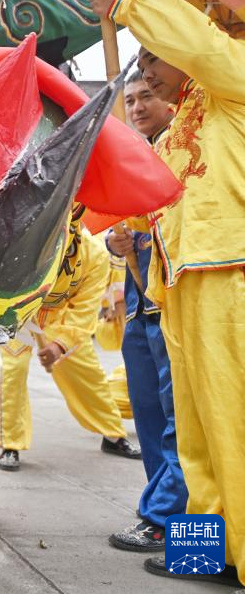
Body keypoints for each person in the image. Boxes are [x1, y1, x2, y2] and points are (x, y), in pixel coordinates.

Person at [92, 0, 245, 584]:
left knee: (233, 421)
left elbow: (197, 43)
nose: (147, 69)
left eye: (154, 56)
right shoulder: (189, 117)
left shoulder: (232, 75)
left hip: (229, 273)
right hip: (179, 285)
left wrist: (127, 2)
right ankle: (206, 553)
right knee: (198, 434)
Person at [105, 73, 186, 553]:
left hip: (180, 302)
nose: (136, 106)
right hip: (142, 303)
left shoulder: (190, 148)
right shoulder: (146, 157)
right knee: (151, 417)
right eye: (130, 99)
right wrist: (125, 243)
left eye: (146, 96)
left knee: (184, 420)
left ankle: (169, 520)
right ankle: (162, 506)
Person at [0, 210, 141, 471]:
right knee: (13, 369)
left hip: (60, 315)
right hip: (23, 308)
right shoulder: (32, 239)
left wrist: (59, 344)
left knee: (86, 371)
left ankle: (113, 434)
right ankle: (11, 444)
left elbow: (84, 309)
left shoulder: (95, 254)